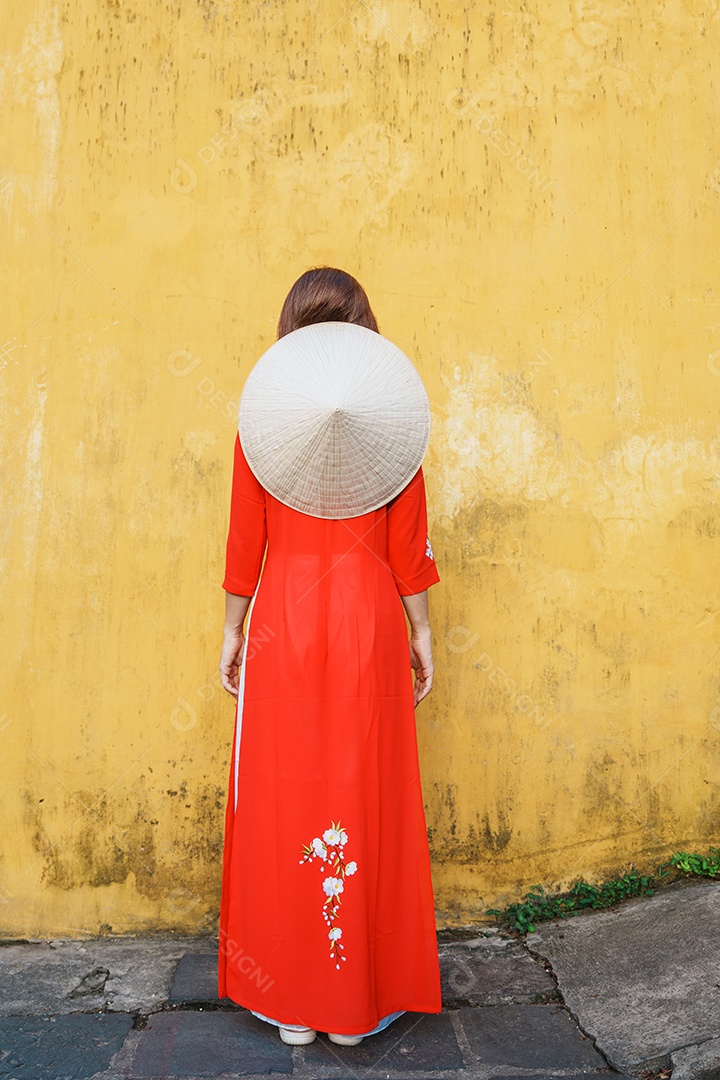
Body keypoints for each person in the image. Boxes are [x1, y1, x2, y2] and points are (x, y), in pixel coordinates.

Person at [217, 267, 441, 1047]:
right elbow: (408, 549)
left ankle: (292, 1006)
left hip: (287, 621)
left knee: (284, 796)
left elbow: (248, 540)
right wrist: (421, 635)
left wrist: (233, 631)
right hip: (369, 620)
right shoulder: (394, 421)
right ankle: (356, 1002)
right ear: (363, 325)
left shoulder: (263, 420)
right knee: (363, 793)